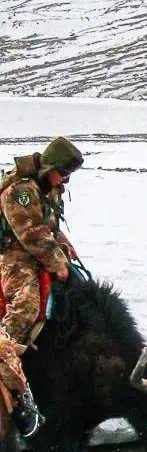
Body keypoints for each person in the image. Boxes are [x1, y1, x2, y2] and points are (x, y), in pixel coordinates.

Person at [0, 136, 84, 436]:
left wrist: (67, 250)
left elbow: (50, 228)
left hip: (38, 251)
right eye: (63, 173)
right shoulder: (20, 191)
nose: (65, 180)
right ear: (50, 167)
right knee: (26, 303)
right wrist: (56, 263)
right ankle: (5, 350)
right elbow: (30, 232)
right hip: (14, 256)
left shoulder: (50, 188)